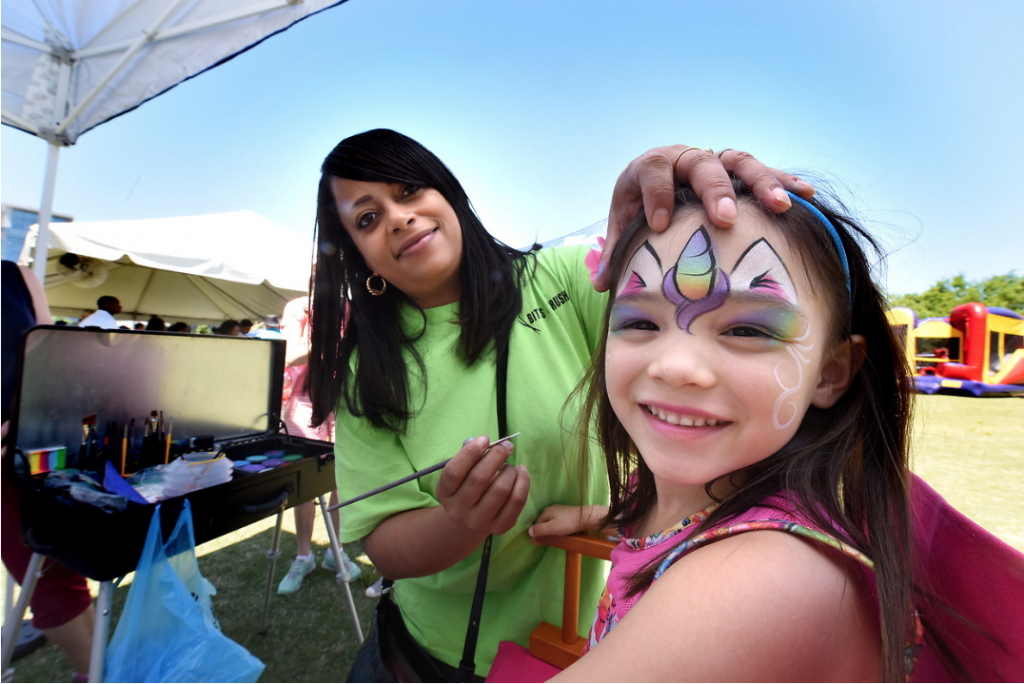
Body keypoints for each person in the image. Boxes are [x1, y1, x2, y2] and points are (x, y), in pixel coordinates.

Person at [307, 130, 810, 679]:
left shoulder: (567, 278)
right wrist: (460, 522)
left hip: (583, 641)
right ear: (358, 256)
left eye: (408, 191)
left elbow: (697, 297)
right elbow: (386, 546)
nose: (397, 218)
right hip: (431, 656)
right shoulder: (366, 369)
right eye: (366, 219)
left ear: (448, 193)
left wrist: (685, 190)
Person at [530, 177, 952, 681]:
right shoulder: (686, 494)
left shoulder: (758, 582)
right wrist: (603, 515)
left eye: (748, 330)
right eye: (640, 323)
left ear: (831, 372)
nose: (675, 366)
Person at [2, 261, 95, 681]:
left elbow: (51, 353)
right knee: (46, 584)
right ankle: (95, 673)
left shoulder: (16, 275)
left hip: (41, 445)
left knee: (68, 567)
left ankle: (99, 670)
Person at [276, 296, 362, 594]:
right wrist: (333, 347)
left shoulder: (351, 305)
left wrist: (320, 349)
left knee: (341, 480)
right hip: (302, 401)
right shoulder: (299, 306)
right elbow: (288, 356)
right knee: (306, 484)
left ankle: (335, 553)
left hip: (344, 399)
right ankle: (303, 556)